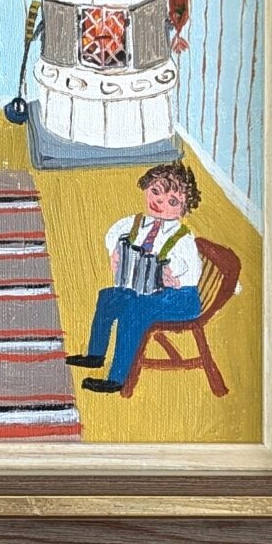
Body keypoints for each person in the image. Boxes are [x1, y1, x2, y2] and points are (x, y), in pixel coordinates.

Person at [67, 161, 206, 394]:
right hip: (145, 290)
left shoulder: (183, 236)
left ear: (184, 209)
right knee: (109, 297)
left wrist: (173, 275)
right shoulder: (136, 223)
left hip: (180, 298)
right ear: (146, 187)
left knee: (134, 311)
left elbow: (193, 269)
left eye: (172, 202)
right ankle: (95, 355)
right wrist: (114, 251)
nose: (160, 203)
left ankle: (117, 377)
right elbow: (113, 232)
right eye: (156, 192)